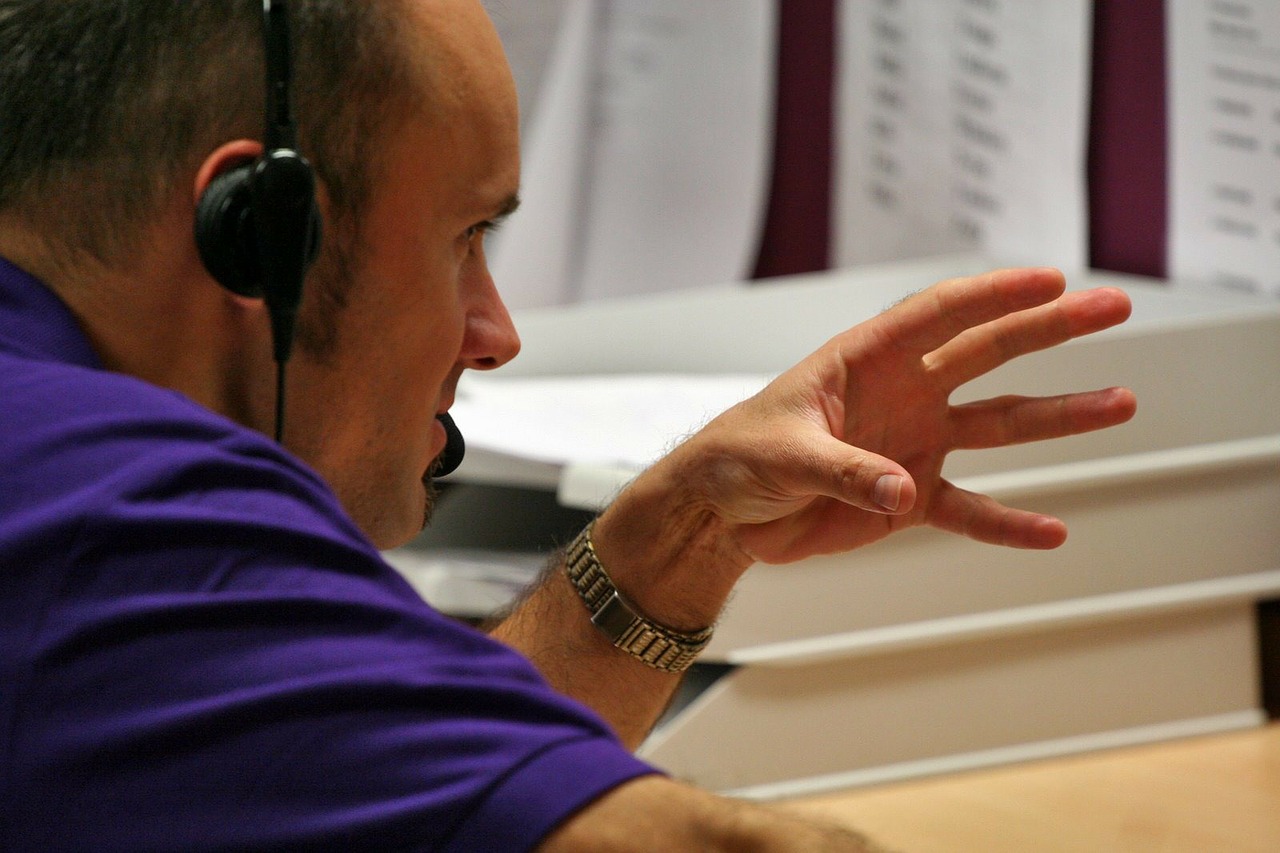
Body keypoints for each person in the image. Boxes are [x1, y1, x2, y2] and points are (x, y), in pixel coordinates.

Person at [0, 1, 1136, 850]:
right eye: (464, 237)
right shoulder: (104, 496)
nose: (494, 332)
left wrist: (686, 532)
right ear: (257, 230)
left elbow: (398, 790)